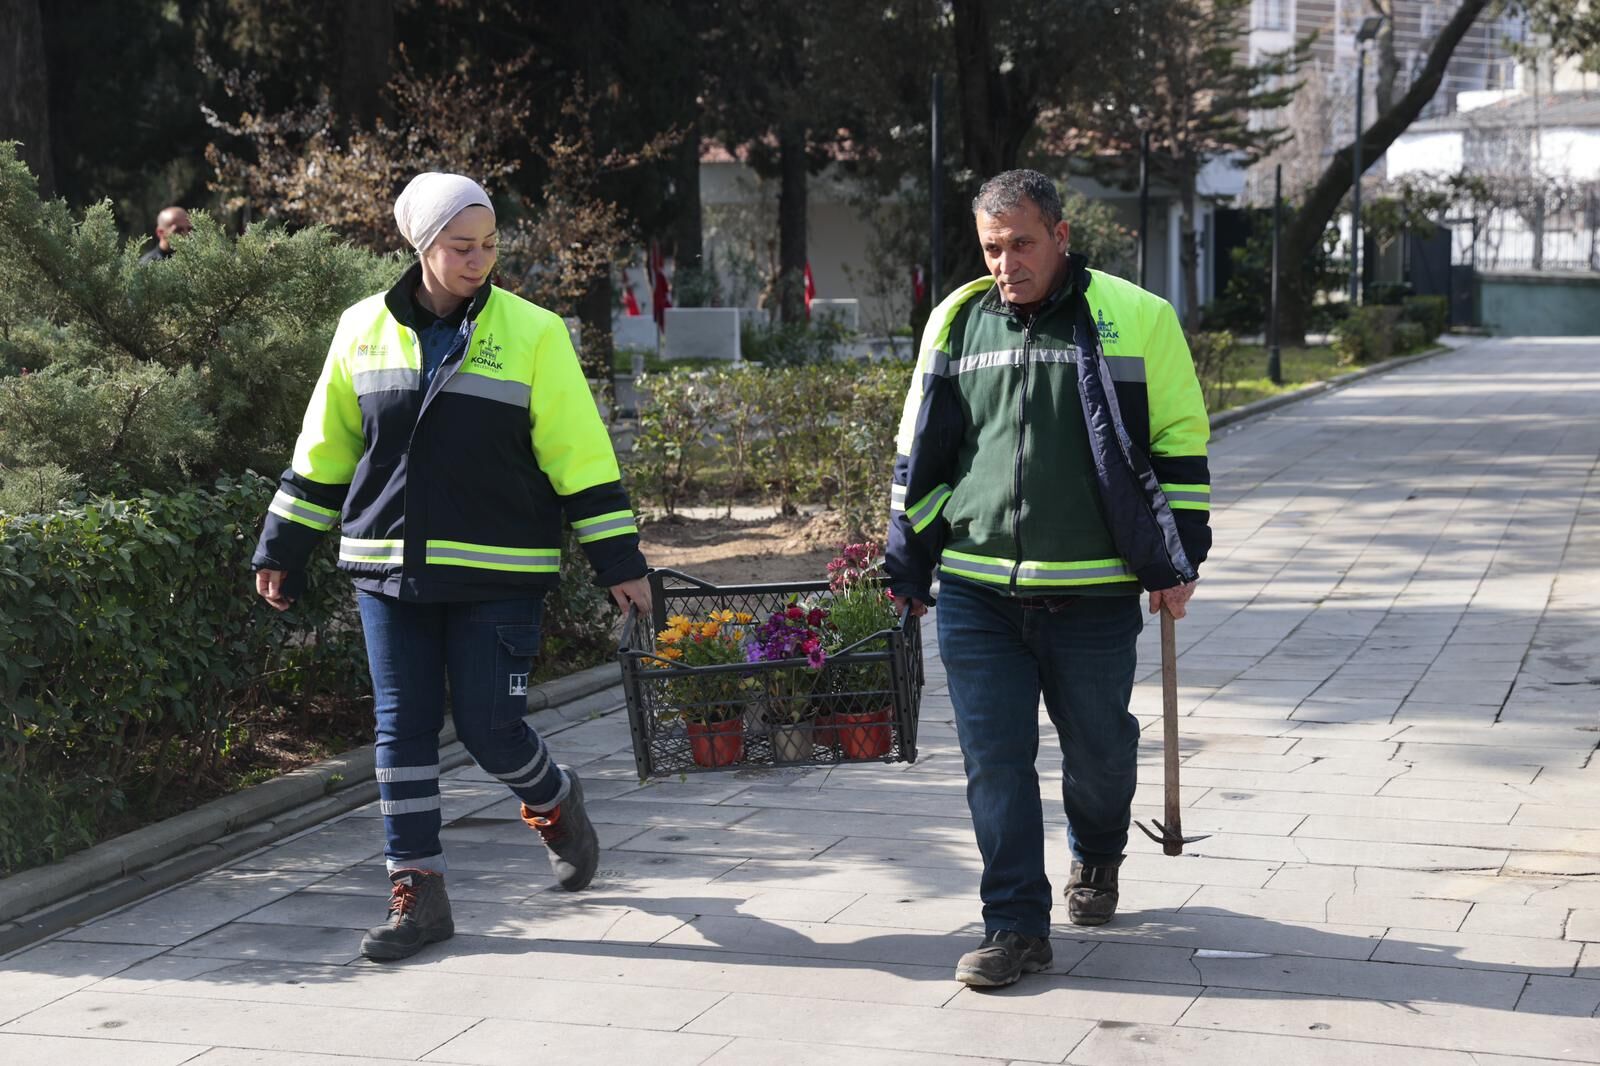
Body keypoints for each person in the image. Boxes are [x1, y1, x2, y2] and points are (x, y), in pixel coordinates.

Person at [251, 172, 652, 962]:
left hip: (500, 573)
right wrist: (282, 546)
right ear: (421, 246)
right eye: (461, 247)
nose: (479, 260)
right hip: (385, 570)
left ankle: (555, 801)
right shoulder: (360, 328)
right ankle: (418, 892)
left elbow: (578, 453)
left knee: (491, 730)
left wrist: (619, 560)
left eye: (490, 245)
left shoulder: (534, 333)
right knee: (400, 732)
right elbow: (326, 449)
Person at [885, 169, 1211, 988]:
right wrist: (907, 558)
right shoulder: (957, 322)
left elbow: (1178, 440)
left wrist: (1180, 560)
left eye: (1021, 243)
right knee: (994, 761)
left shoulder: (1138, 317)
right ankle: (1014, 926)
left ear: (1061, 235)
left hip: (1095, 591)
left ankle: (1097, 854)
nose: (1005, 263)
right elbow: (921, 445)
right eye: (992, 247)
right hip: (976, 588)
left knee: (1099, 754)